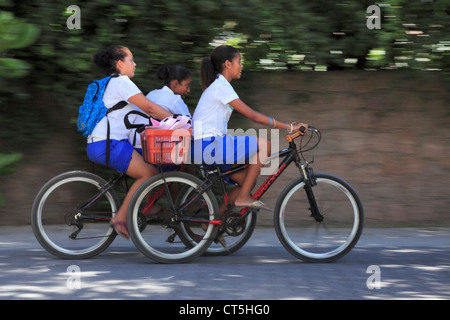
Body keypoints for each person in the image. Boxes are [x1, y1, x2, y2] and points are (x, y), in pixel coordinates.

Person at [192, 45, 308, 211]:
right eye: (239, 61)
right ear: (228, 64)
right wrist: (290, 126)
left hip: (209, 146)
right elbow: (252, 116)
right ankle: (244, 197)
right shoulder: (221, 87)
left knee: (248, 181)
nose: (241, 65)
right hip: (210, 146)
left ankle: (214, 222)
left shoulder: (219, 86)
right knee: (265, 145)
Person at [87, 45, 172, 239]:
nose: (134, 64)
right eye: (131, 60)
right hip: (108, 144)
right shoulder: (122, 82)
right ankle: (121, 217)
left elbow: (144, 114)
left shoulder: (113, 83)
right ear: (120, 63)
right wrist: (177, 121)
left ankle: (147, 207)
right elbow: (149, 107)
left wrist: (163, 120)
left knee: (149, 162)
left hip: (103, 143)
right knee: (148, 173)